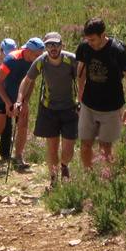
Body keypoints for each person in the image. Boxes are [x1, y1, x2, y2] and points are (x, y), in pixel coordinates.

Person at [17, 32, 79, 187]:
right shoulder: (41, 61)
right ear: (45, 47)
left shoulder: (71, 60)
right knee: (52, 147)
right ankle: (53, 178)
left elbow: (82, 80)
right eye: (49, 45)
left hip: (70, 108)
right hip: (49, 109)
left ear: (61, 45)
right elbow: (27, 80)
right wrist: (19, 100)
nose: (53, 48)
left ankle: (64, 165)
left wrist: (83, 103)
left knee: (68, 148)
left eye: (56, 44)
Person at [75, 18, 126, 171]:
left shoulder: (117, 50)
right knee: (85, 144)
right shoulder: (84, 48)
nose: (90, 43)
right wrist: (80, 93)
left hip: (111, 106)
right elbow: (81, 70)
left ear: (103, 35)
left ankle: (106, 180)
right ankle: (89, 175)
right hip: (89, 103)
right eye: (87, 39)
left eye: (93, 39)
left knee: (105, 147)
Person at [0, 38, 45, 170]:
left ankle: (18, 157)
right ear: (28, 51)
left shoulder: (36, 62)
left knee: (22, 126)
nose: (39, 58)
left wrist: (26, 102)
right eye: (37, 55)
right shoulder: (12, 59)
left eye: (40, 55)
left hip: (20, 98)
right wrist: (7, 103)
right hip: (1, 97)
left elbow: (31, 82)